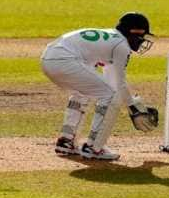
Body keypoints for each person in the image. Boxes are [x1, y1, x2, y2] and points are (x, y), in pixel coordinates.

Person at [41, 12, 159, 161]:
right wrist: (133, 108)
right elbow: (119, 83)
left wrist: (130, 104)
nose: (142, 41)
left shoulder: (110, 38)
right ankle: (94, 147)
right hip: (65, 60)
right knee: (110, 96)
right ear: (132, 33)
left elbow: (113, 80)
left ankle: (66, 141)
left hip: (48, 59)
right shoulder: (121, 45)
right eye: (141, 36)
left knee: (83, 93)